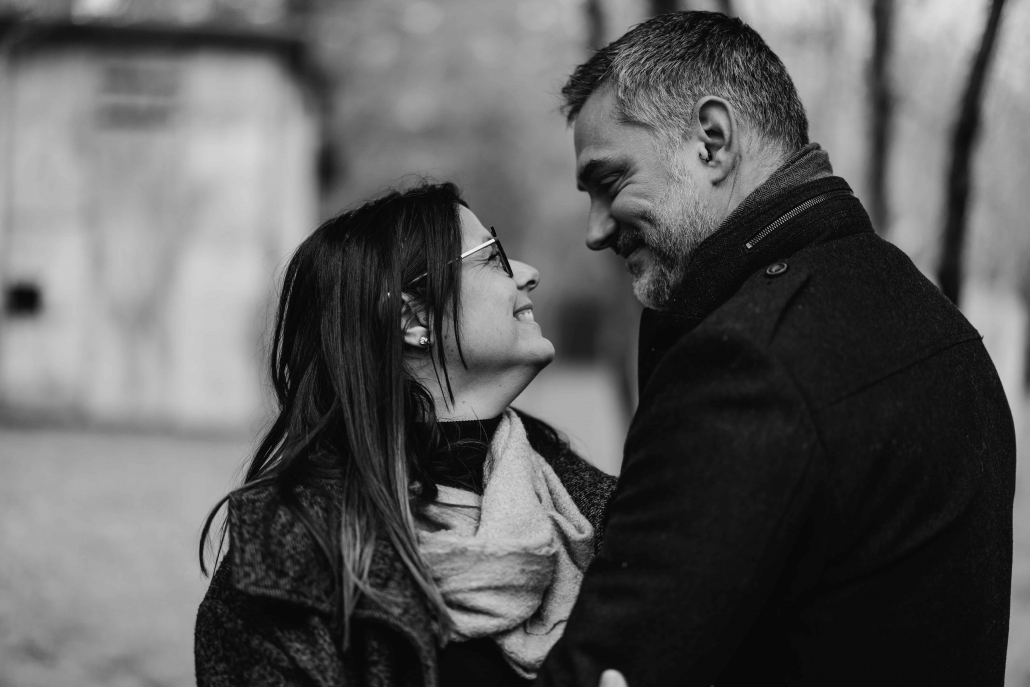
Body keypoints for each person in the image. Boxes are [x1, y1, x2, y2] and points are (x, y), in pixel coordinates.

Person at [536, 11, 1016, 687]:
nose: (594, 230)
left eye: (609, 182)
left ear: (712, 140)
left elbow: (614, 662)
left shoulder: (745, 365)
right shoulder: (929, 317)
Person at [194, 182, 617, 686]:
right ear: (413, 318)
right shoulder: (286, 565)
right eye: (493, 257)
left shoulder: (584, 503)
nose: (528, 273)